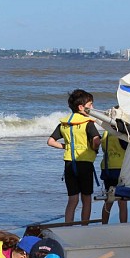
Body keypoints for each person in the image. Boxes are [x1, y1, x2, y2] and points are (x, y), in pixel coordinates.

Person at [47, 89, 101, 224]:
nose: (92, 108)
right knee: (86, 198)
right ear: (81, 107)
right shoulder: (87, 123)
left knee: (73, 199)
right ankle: (84, 226)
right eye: (91, 104)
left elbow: (50, 141)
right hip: (85, 163)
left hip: (69, 164)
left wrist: (65, 146)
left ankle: (68, 225)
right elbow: (96, 141)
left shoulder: (64, 123)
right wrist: (95, 148)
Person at [99, 126, 128, 224]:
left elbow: (103, 149)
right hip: (120, 169)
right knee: (122, 201)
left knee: (108, 199)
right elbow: (127, 147)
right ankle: (123, 225)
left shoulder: (106, 133)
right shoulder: (121, 134)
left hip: (107, 168)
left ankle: (104, 224)